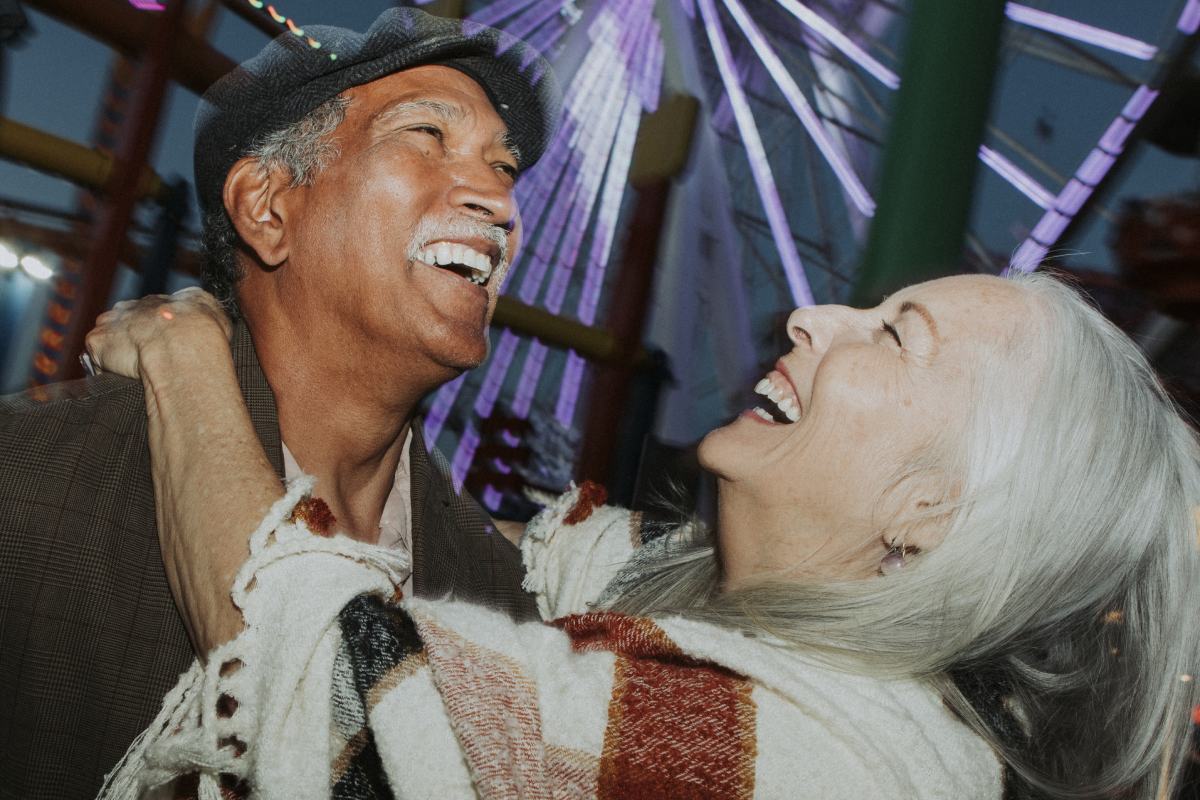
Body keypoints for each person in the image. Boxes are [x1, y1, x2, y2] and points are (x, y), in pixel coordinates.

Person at [86, 271, 1200, 798]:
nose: (813, 314)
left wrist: (185, 354)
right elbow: (556, 564)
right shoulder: (702, 614)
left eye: (896, 333)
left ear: (937, 512)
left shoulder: (817, 764)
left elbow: (325, 682)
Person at [0, 9, 560, 797]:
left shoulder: (506, 601)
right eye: (427, 136)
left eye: (503, 168)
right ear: (266, 208)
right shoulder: (27, 487)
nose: (497, 201)